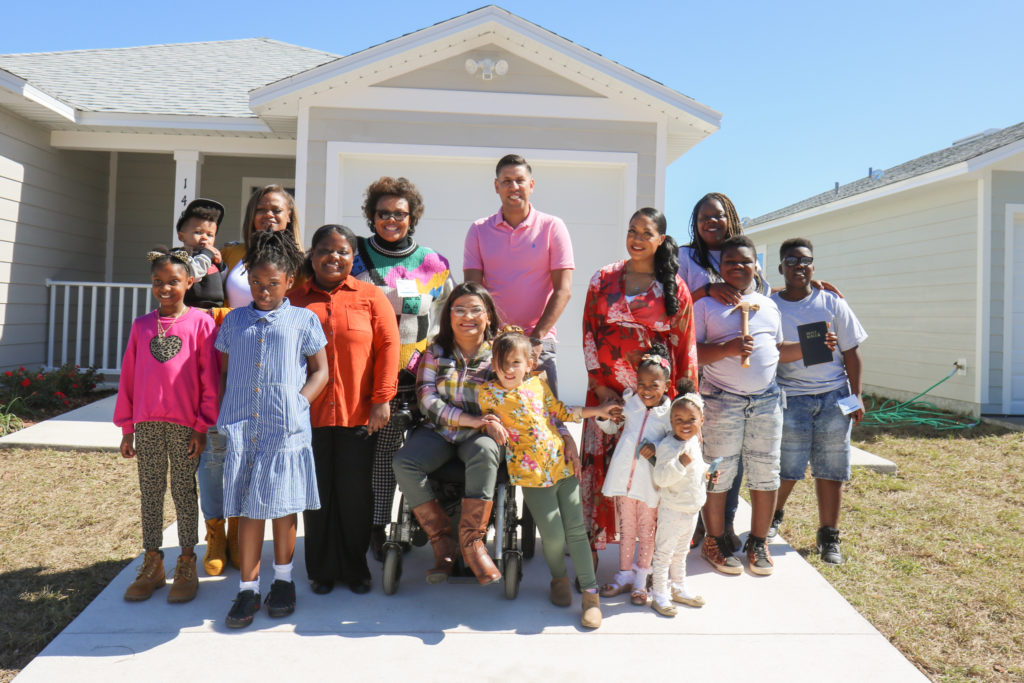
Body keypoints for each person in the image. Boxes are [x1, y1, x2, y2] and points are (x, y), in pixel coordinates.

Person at [216, 230, 328, 628]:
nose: (263, 291)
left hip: (286, 429)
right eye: (256, 283)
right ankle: (248, 588)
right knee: (248, 509)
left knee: (282, 507)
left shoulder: (304, 319)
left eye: (273, 284)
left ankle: (283, 581)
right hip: (244, 429)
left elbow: (321, 371)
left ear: (290, 282)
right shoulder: (233, 321)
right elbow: (224, 373)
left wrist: (300, 402)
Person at [478, 326, 618, 628]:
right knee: (553, 535)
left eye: (516, 362)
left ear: (529, 364)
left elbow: (559, 413)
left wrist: (598, 411)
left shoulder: (539, 385)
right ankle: (558, 579)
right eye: (502, 363)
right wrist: (488, 422)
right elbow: (480, 422)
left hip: (562, 464)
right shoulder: (488, 394)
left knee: (577, 530)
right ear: (493, 364)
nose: (508, 369)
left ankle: (591, 595)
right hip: (530, 475)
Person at [580, 207, 698, 560]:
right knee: (606, 469)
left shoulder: (674, 286)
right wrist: (599, 387)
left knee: (647, 473)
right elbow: (589, 331)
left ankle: (646, 560)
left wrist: (682, 402)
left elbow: (686, 345)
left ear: (660, 239)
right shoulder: (603, 278)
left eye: (646, 233)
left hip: (655, 402)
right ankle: (595, 545)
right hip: (609, 394)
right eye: (632, 231)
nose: (637, 239)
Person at [290, 224, 400, 594]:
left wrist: (382, 399)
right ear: (312, 255)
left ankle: (355, 569)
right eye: (325, 250)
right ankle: (320, 570)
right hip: (308, 415)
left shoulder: (370, 297)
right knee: (317, 492)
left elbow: (389, 347)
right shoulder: (295, 300)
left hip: (358, 413)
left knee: (355, 494)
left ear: (353, 258)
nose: (334, 257)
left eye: (343, 251)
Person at [351, 176, 454, 560]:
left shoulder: (433, 262)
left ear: (412, 217)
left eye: (400, 213)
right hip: (368, 376)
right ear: (371, 216)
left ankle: (411, 523)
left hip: (419, 378)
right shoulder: (355, 255)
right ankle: (376, 526)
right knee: (375, 457)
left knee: (408, 456)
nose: (391, 220)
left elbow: (450, 316)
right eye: (383, 213)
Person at [694, 235, 809, 576]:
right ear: (721, 267)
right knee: (718, 473)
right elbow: (692, 353)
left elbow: (777, 349)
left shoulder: (769, 304)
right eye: (730, 262)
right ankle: (714, 541)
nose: (738, 267)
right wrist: (727, 349)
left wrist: (811, 347)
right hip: (721, 399)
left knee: (765, 472)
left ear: (756, 265)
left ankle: (758, 542)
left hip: (766, 401)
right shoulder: (706, 305)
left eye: (745, 262)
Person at [113, 247, 220, 604]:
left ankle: (186, 561)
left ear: (189, 282)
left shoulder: (202, 324)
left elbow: (209, 380)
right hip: (147, 425)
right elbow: (129, 376)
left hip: (184, 427)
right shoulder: (142, 326)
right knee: (151, 493)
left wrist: (202, 426)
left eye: (173, 281)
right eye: (158, 281)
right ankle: (153, 561)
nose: (165, 287)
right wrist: (127, 426)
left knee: (184, 493)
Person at [210, 185, 303, 570]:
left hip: (281, 374)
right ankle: (221, 536)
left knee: (276, 461)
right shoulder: (233, 254)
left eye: (277, 210)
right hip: (233, 359)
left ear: (289, 217)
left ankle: (274, 557)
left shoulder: (303, 261)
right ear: (251, 215)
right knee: (227, 453)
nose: (269, 215)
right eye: (262, 209)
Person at [391, 281, 505, 585]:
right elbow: (427, 398)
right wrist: (471, 419)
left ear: (489, 316)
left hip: (480, 435)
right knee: (404, 463)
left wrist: (483, 423)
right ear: (449, 315)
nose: (467, 316)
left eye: (475, 310)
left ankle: (472, 544)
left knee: (486, 450)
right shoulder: (435, 352)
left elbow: (514, 394)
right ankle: (442, 541)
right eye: (459, 310)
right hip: (441, 430)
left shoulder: (499, 352)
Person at [768, 238, 867, 565]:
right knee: (787, 468)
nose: (800, 266)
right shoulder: (772, 306)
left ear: (813, 266)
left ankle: (829, 536)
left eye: (806, 261)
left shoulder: (832, 302)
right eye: (792, 261)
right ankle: (772, 518)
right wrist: (810, 346)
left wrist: (856, 396)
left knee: (831, 469)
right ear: (781, 267)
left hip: (834, 398)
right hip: (791, 397)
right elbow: (771, 353)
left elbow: (852, 353)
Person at [464, 154, 574, 395]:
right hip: (493, 344)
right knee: (493, 421)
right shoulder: (479, 230)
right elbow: (472, 293)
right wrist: (488, 338)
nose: (513, 187)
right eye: (506, 181)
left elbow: (563, 290)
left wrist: (535, 339)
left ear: (531, 185)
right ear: (496, 186)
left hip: (539, 343)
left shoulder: (552, 227)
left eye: (520, 180)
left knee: (544, 423)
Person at [174, 197, 232, 576]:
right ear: (181, 232)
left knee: (214, 445)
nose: (204, 237)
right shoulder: (173, 260)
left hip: (216, 340)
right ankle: (186, 542)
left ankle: (217, 532)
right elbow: (184, 277)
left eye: (210, 232)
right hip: (182, 341)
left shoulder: (221, 261)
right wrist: (204, 256)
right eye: (197, 230)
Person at [597, 347, 675, 606]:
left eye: (654, 384)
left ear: (666, 385)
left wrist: (657, 448)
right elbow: (611, 426)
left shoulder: (670, 415)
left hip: (650, 483)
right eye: (641, 383)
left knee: (647, 531)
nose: (646, 389)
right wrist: (605, 416)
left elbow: (676, 445)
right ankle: (624, 574)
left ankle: (642, 578)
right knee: (626, 529)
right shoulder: (630, 403)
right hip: (623, 480)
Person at [650, 378, 709, 617]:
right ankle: (659, 593)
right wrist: (680, 464)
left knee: (682, 551)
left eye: (691, 420)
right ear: (671, 422)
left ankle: (678, 587)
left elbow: (696, 466)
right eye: (679, 420)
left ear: (701, 421)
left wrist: (707, 471)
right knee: (664, 553)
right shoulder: (668, 446)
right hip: (673, 509)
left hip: (692, 508)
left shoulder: (694, 441)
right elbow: (662, 478)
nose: (685, 425)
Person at [176, 198, 227, 311]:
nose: (204, 237)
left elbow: (224, 280)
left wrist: (221, 265)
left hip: (215, 311)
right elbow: (193, 274)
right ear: (181, 236)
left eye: (210, 235)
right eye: (198, 232)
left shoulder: (211, 256)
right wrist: (207, 254)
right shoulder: (181, 255)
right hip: (191, 310)